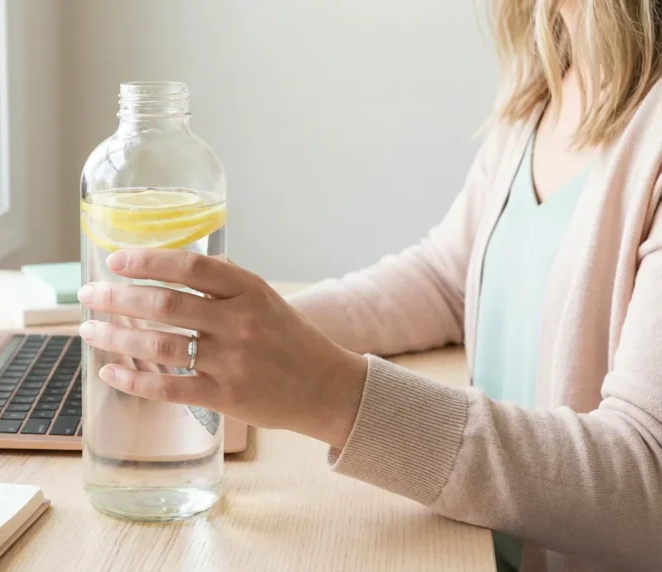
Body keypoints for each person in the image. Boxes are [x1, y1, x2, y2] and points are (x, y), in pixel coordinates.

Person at [74, 1, 662, 570]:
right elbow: (444, 280)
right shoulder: (548, 89)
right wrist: (246, 338)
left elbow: (647, 482)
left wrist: (332, 392)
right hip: (472, 544)